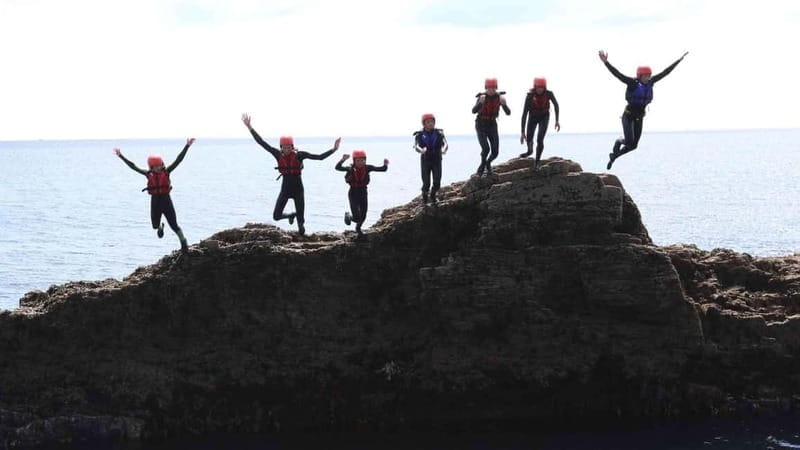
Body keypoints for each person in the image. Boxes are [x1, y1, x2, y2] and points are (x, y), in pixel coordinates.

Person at [242, 113, 340, 235]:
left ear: (292, 147)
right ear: (281, 147)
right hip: (285, 190)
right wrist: (250, 127)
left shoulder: (300, 155)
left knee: (301, 228)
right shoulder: (277, 154)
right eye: (284, 147)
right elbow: (262, 143)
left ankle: (299, 222)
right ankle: (290, 215)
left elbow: (319, 157)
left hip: (298, 190)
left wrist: (333, 149)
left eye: (289, 147)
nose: (286, 149)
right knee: (276, 216)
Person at [599, 50, 688, 169]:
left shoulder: (651, 83)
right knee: (629, 141)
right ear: (640, 76)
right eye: (646, 76)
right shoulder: (632, 83)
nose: (648, 77)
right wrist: (606, 62)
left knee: (634, 146)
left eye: (649, 75)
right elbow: (617, 74)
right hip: (628, 116)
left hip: (639, 117)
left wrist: (679, 60)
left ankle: (614, 157)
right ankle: (619, 141)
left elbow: (666, 72)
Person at [114, 138, 195, 254]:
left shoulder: (167, 171)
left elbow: (179, 160)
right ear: (151, 167)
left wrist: (187, 145)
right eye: (156, 166)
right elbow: (133, 166)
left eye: (160, 165)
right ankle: (161, 227)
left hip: (166, 200)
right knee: (155, 226)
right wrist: (120, 155)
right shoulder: (148, 174)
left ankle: (184, 242)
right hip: (155, 201)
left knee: (174, 225)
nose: (159, 167)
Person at [335, 150, 388, 239]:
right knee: (356, 217)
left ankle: (358, 228)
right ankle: (349, 216)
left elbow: (382, 169)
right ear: (354, 161)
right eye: (358, 160)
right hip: (353, 193)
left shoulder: (368, 168)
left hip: (363, 192)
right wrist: (342, 160)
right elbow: (337, 167)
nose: (361, 162)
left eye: (363, 160)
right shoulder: (350, 168)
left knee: (363, 215)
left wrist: (385, 164)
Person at [472, 78, 510, 176]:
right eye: (489, 88)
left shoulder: (499, 97)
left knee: (495, 152)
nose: (491, 90)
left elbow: (508, 113)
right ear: (486, 88)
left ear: (496, 88)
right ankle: (482, 165)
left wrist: (504, 105)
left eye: (493, 88)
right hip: (481, 124)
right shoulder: (482, 97)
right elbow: (473, 111)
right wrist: (480, 103)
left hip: (492, 124)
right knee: (485, 149)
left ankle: (488, 163)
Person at [519, 77, 560, 168]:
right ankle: (529, 151)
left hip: (544, 117)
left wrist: (557, 120)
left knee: (540, 139)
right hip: (532, 117)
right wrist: (522, 132)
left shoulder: (549, 94)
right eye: (538, 87)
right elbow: (524, 114)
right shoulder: (530, 96)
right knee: (529, 138)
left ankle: (537, 162)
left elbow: (556, 105)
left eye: (541, 87)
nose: (540, 89)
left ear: (544, 87)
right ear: (535, 87)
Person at [413, 113, 448, 205]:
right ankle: (424, 198)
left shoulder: (439, 133)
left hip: (437, 159)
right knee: (426, 183)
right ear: (424, 124)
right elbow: (416, 146)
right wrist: (422, 150)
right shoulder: (419, 134)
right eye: (428, 122)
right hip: (426, 160)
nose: (431, 124)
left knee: (437, 182)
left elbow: (445, 144)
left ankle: (433, 195)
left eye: (432, 122)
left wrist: (443, 150)